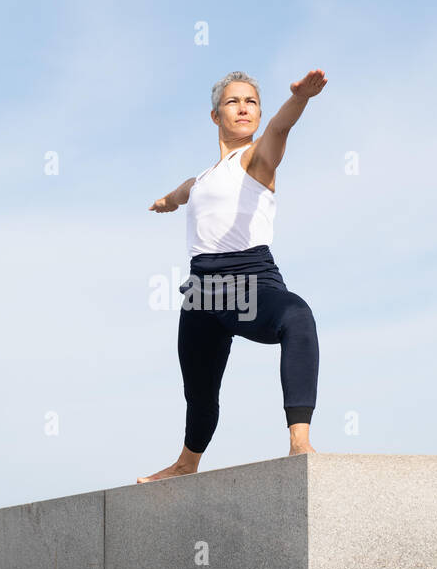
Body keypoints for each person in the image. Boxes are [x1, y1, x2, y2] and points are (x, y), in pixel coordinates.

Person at [138, 68, 327, 483]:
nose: (244, 108)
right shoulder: (203, 177)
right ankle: (185, 465)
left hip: (250, 280)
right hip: (201, 292)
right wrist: (166, 202)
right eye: (233, 101)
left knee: (297, 317)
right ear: (214, 115)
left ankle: (299, 441)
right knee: (200, 393)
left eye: (251, 102)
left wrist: (300, 99)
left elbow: (281, 127)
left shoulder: (258, 157)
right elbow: (184, 192)